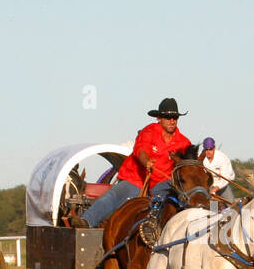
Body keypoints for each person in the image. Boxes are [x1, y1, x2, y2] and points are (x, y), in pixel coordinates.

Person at [77, 97, 193, 228]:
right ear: (159, 118)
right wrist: (146, 162)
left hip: (162, 182)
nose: (172, 121)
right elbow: (141, 149)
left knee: (169, 203)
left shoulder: (184, 143)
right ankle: (86, 221)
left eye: (175, 118)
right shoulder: (148, 131)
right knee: (113, 196)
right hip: (136, 178)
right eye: (168, 117)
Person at [200, 137, 234, 205]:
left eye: (210, 149)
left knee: (231, 202)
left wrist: (216, 188)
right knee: (212, 205)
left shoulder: (222, 157)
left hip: (222, 184)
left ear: (214, 148)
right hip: (208, 185)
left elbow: (226, 177)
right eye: (206, 149)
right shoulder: (200, 157)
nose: (208, 152)